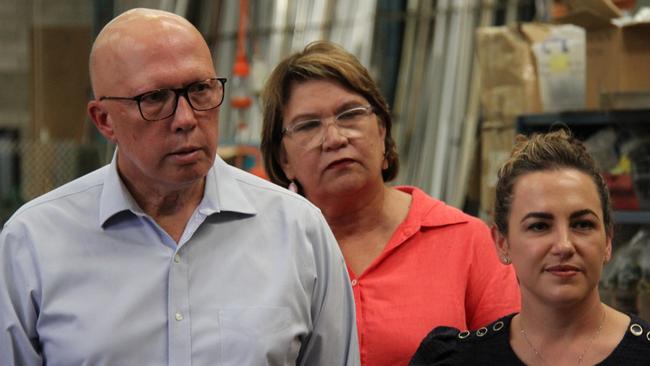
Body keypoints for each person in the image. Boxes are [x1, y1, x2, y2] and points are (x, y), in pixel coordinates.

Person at [0, 9, 359, 366]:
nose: (186, 119)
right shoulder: (32, 244)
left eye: (200, 89)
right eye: (154, 98)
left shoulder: (298, 232)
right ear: (104, 120)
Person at [260, 40, 520, 366]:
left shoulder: (466, 241)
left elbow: (512, 356)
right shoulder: (265, 254)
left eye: (350, 114)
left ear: (382, 130)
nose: (336, 138)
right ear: (283, 159)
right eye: (309, 125)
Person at [410, 129, 650, 365]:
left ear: (608, 240)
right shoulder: (458, 359)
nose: (564, 245)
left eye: (582, 224)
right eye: (539, 226)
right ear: (502, 243)